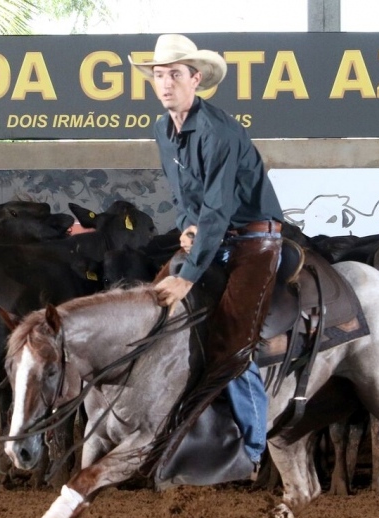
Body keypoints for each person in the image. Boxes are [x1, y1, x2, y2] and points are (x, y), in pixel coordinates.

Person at [129, 34, 290, 475]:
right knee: (156, 315)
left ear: (196, 79)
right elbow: (184, 196)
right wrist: (187, 227)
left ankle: (253, 452)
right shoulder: (162, 130)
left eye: (175, 75)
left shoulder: (219, 131)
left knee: (233, 342)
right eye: (159, 75)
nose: (166, 84)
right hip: (212, 236)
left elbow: (218, 207)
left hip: (254, 239)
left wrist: (190, 273)